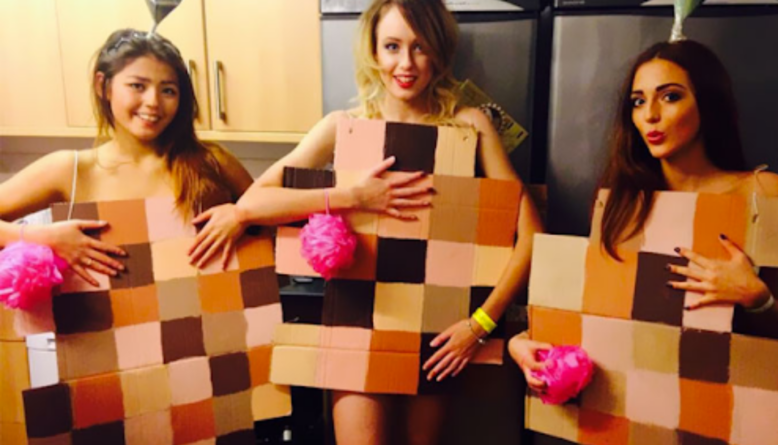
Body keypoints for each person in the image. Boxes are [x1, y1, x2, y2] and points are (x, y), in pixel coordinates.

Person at [187, 1, 541, 443]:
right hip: (355, 323)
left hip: (437, 334)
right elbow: (255, 201)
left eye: (420, 47)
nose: (405, 63)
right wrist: (351, 196)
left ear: (439, 51)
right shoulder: (345, 127)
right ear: (373, 51)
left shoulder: (468, 127)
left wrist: (481, 324)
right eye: (392, 46)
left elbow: (532, 235)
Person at [510, 39, 778, 382]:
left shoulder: (766, 192)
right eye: (638, 101)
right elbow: (598, 309)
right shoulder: (622, 202)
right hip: (630, 393)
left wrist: (757, 297)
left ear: (707, 101)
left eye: (670, 96)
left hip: (721, 391)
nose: (650, 115)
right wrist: (522, 340)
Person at [0, 29, 251, 288]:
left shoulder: (213, 161)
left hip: (214, 312)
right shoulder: (71, 170)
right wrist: (42, 238)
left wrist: (241, 214)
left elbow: (274, 221)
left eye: (168, 90)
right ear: (103, 86)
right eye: (137, 86)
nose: (153, 102)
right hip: (98, 315)